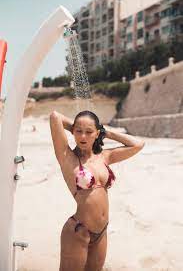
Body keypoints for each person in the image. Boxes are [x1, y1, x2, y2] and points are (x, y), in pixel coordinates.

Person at [49, 110, 145, 271]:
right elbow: (55, 117)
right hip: (79, 231)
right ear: (73, 131)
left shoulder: (105, 157)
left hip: (101, 232)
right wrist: (78, 126)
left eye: (88, 132)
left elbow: (138, 144)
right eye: (78, 131)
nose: (83, 137)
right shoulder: (67, 157)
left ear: (97, 134)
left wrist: (107, 133)